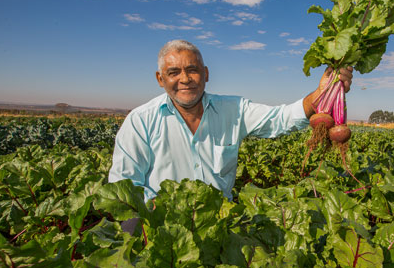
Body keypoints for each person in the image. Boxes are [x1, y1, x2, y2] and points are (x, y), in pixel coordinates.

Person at [108, 39, 353, 201]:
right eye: (174, 72)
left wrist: (320, 94)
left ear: (205, 74)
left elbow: (279, 118)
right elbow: (124, 188)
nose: (185, 79)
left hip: (221, 226)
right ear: (160, 79)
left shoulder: (233, 110)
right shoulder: (140, 122)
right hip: (164, 231)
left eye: (192, 70)